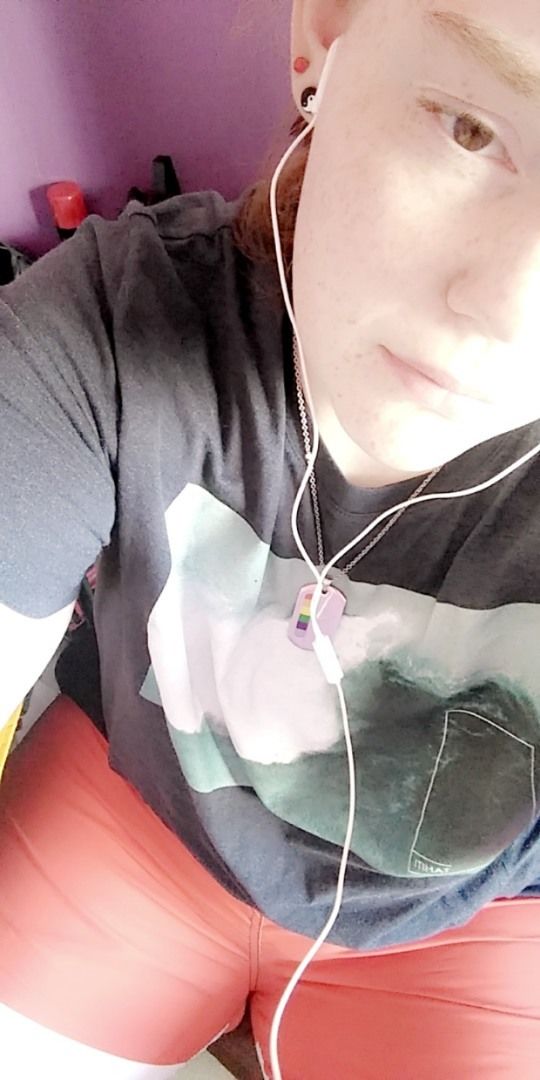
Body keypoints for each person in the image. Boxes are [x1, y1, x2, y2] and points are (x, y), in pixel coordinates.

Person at [1, 0, 540, 1076]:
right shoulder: (108, 326)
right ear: (326, 37)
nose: (508, 312)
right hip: (135, 812)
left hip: (466, 923)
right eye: (471, 128)